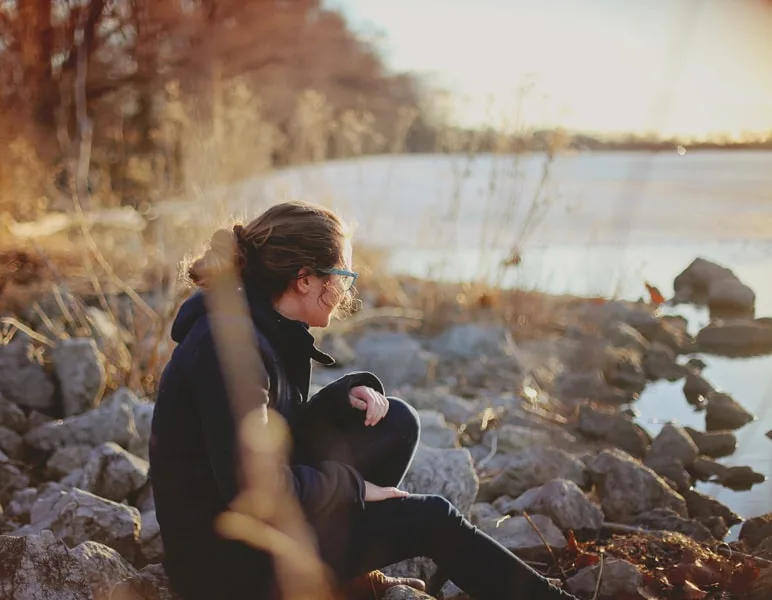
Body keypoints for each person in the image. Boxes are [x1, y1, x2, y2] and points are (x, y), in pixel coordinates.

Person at [149, 201, 578, 600]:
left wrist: (340, 399)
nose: (347, 292)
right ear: (304, 280)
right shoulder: (229, 348)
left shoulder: (265, 324)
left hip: (258, 531)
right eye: (343, 278)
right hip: (223, 569)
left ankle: (343, 574)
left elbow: (271, 429)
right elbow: (253, 488)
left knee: (395, 423)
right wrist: (356, 488)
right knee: (431, 517)